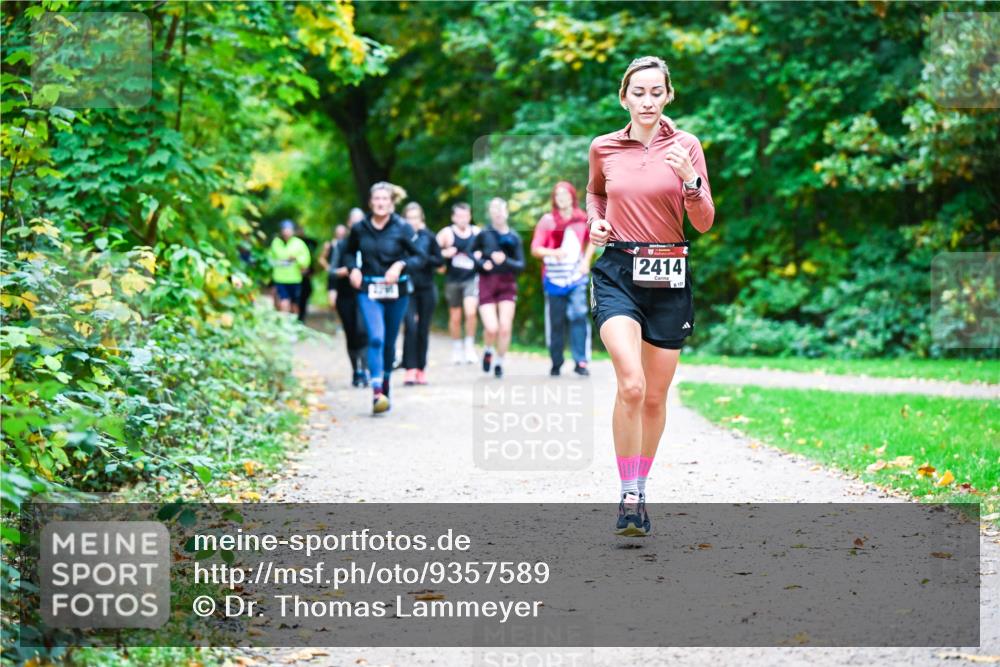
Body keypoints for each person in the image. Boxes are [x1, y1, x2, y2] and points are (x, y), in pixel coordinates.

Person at [586, 56, 715, 536]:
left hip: (670, 274)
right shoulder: (604, 147)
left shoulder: (686, 146)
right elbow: (596, 195)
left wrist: (690, 180)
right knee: (632, 384)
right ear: (625, 97)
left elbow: (703, 221)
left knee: (656, 398)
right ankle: (628, 496)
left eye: (655, 92)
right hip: (619, 270)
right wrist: (594, 224)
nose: (647, 100)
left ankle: (642, 482)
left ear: (668, 96)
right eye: (638, 92)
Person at [345, 183, 426, 414]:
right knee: (376, 338)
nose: (380, 203)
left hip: (396, 292)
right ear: (371, 202)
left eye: (385, 199)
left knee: (389, 341)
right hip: (369, 290)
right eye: (376, 199)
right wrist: (353, 269)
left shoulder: (402, 227)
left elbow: (420, 257)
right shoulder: (360, 228)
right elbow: (349, 252)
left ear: (391, 203)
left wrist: (400, 266)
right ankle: (376, 391)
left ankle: (386, 383)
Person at [530, 182, 595, 377]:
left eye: (565, 194)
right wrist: (553, 252)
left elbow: (592, 239)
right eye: (557, 195)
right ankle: (556, 361)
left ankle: (581, 362)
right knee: (556, 322)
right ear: (554, 199)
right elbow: (535, 249)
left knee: (578, 315)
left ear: (572, 197)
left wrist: (586, 261)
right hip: (553, 279)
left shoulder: (582, 219)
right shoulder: (547, 221)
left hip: (576, 278)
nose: (561, 198)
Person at [472, 197, 525, 379]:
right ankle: (488, 350)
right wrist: (481, 263)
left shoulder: (514, 237)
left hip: (507, 283)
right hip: (486, 282)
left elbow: (520, 266)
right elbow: (471, 255)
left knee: (504, 327)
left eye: (500, 209)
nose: (497, 212)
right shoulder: (483, 234)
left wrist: (506, 261)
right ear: (490, 214)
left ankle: (499, 362)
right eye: (493, 209)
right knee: (492, 328)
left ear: (506, 212)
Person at [319, 216, 369, 387]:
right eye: (353, 221)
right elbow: (331, 270)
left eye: (359, 220)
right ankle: (356, 371)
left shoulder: (370, 242)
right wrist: (335, 284)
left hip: (366, 293)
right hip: (345, 294)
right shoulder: (341, 245)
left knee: (363, 331)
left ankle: (366, 369)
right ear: (349, 224)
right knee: (351, 333)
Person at [401, 202, 443, 386]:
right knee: (411, 327)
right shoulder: (400, 237)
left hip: (426, 288)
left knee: (423, 329)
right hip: (406, 289)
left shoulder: (429, 237)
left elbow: (439, 261)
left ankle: (420, 369)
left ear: (421, 219)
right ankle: (409, 368)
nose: (412, 221)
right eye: (409, 218)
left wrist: (425, 259)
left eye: (415, 218)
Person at [437, 202, 480, 365]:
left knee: (470, 312)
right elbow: (432, 252)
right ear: (453, 217)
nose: (463, 219)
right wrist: (444, 253)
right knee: (455, 316)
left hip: (471, 278)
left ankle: (469, 345)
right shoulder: (446, 234)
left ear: (470, 216)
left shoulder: (477, 233)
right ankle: (456, 347)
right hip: (453, 279)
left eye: (466, 216)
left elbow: (487, 250)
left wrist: (479, 254)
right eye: (459, 216)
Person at [269, 219, 312, 315]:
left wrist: (296, 259)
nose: (286, 232)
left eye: (288, 229)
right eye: (284, 229)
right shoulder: (276, 243)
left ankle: (294, 324)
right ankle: (285, 324)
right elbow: (270, 259)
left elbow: (306, 260)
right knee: (284, 303)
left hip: (295, 279)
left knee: (294, 305)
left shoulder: (299, 243)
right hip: (280, 278)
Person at [296, 233, 319, 323]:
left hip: (305, 280)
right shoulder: (295, 245)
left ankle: (300, 318)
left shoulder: (310, 248)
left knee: (303, 300)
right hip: (295, 279)